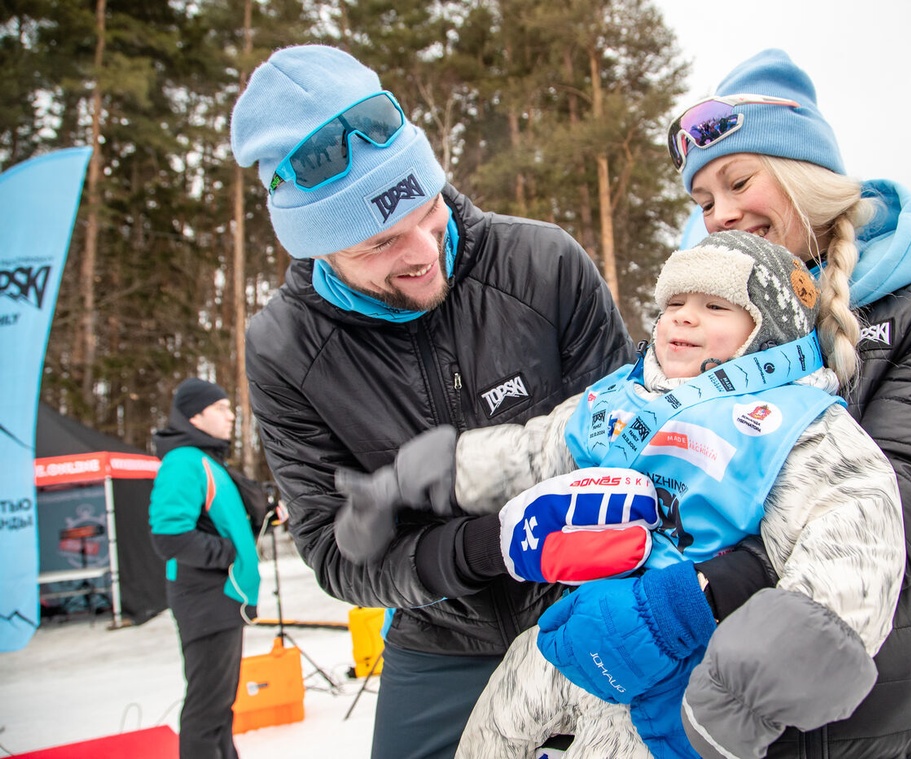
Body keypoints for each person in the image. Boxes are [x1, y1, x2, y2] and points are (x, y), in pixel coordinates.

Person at [535, 49, 911, 759]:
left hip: (873, 712)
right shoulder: (707, 322)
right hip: (697, 702)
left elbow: (906, 500)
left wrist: (696, 593)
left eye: (738, 181)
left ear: (800, 174)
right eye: (702, 202)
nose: (721, 214)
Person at [229, 45, 634, 759]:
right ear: (319, 248)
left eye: (428, 208)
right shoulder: (282, 349)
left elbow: (631, 441)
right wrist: (482, 548)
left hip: (586, 608)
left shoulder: (543, 264)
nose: (424, 250)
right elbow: (332, 552)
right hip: (440, 638)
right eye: (383, 241)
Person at [405, 230, 902, 758]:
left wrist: (751, 691)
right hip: (573, 627)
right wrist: (439, 470)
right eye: (674, 304)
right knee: (492, 729)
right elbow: (538, 450)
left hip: (685, 655)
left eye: (715, 305)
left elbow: (852, 545)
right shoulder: (623, 396)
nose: (684, 317)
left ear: (768, 333)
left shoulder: (791, 422)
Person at [149, 378, 261, 759]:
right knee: (207, 710)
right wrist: (228, 553)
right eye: (221, 408)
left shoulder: (204, 459)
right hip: (206, 599)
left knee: (220, 707)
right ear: (195, 415)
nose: (231, 415)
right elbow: (168, 536)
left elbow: (216, 519)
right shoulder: (183, 461)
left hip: (221, 600)